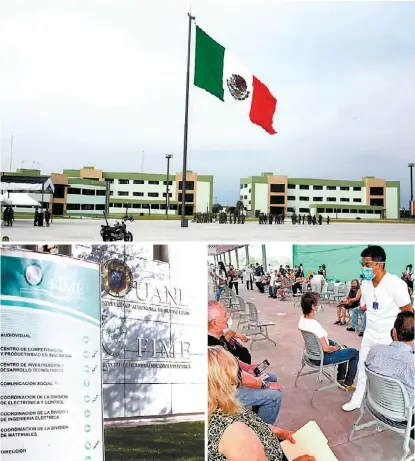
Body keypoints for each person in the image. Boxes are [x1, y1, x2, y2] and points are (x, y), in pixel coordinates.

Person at [208, 346, 316, 461]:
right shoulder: (233, 434)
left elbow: (248, 419)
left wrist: (278, 432)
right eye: (234, 374)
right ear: (220, 383)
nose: (237, 379)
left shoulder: (218, 403)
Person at [342, 245, 413, 412]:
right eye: (363, 264)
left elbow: (408, 312)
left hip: (388, 337)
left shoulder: (396, 284)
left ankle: (387, 405)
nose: (364, 268)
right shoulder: (366, 284)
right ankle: (357, 400)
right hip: (370, 332)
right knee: (362, 365)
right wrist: (352, 303)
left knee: (386, 372)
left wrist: (406, 341)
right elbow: (367, 305)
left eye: (367, 264)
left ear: (379, 264)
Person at [208, 301, 283, 425]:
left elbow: (232, 359)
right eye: (225, 315)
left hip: (233, 381)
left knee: (272, 377)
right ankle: (262, 432)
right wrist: (265, 385)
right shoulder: (213, 346)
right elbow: (240, 378)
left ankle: (256, 416)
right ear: (214, 323)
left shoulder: (218, 336)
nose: (228, 317)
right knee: (275, 395)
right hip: (224, 392)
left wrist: (247, 367)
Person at [298, 292, 359, 392]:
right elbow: (326, 348)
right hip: (321, 357)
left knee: (341, 346)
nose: (319, 306)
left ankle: (340, 377)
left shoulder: (302, 319)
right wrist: (336, 348)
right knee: (354, 353)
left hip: (311, 353)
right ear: (313, 307)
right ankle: (348, 383)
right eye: (318, 304)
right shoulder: (314, 325)